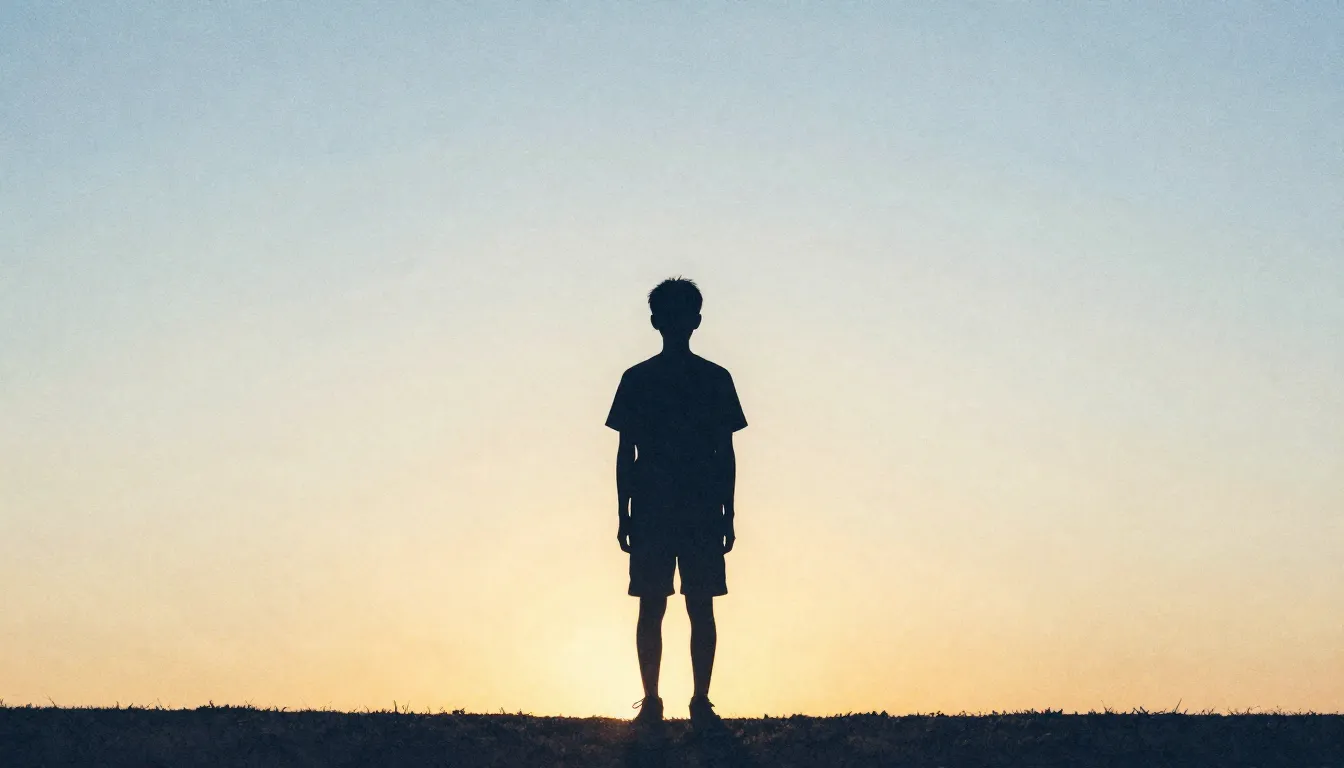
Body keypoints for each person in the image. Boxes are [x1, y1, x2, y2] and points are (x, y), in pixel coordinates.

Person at [605, 277, 747, 732]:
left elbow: (627, 454)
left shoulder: (641, 379)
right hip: (689, 506)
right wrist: (727, 511)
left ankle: (663, 701)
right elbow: (724, 455)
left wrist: (625, 510)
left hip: (662, 506)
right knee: (690, 605)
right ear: (695, 321)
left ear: (656, 321)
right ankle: (688, 700)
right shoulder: (712, 378)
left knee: (663, 605)